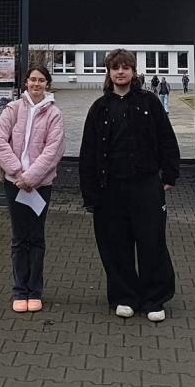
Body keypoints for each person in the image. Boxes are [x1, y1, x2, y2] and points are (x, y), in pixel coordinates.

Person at [79, 49, 180, 322]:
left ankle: (154, 298)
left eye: (125, 67)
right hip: (110, 188)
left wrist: (169, 175)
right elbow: (88, 153)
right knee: (115, 244)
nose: (120, 72)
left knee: (152, 241)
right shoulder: (99, 108)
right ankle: (124, 296)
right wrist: (90, 193)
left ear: (133, 71)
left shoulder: (149, 102)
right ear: (109, 72)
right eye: (115, 68)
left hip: (145, 185)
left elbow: (166, 138)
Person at [0, 66, 65, 313]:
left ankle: (35, 291)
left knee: (37, 237)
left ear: (47, 84)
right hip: (14, 184)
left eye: (41, 80)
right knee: (19, 238)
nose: (36, 84)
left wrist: (31, 177)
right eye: (33, 79)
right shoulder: (13, 109)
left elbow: (54, 150)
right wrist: (16, 172)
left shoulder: (54, 114)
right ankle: (19, 291)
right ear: (26, 83)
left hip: (40, 186)